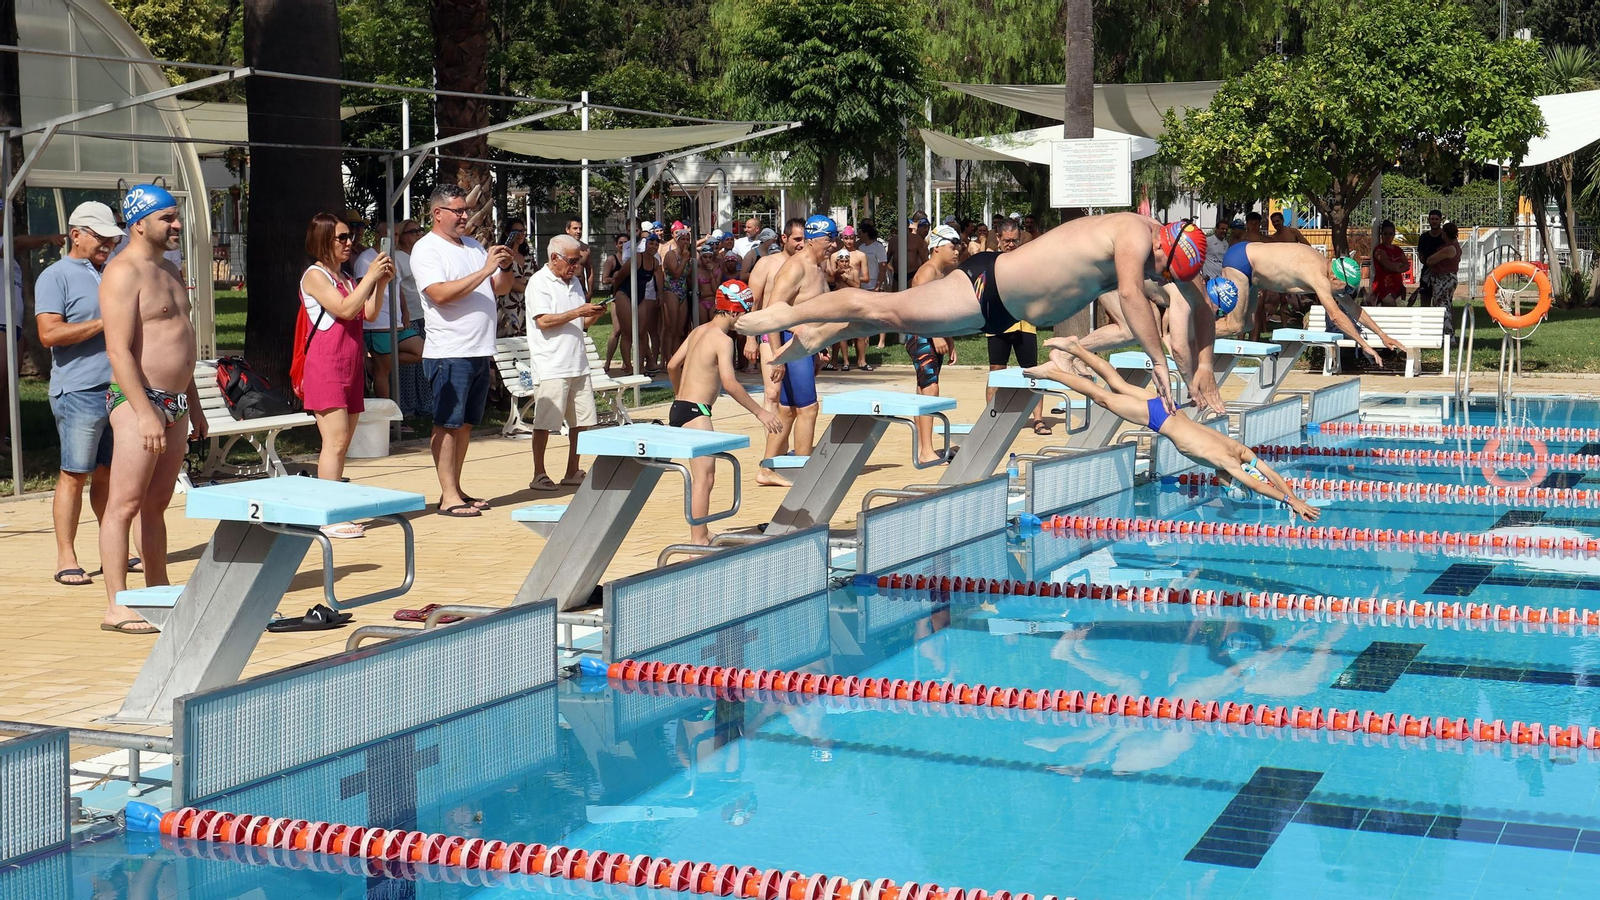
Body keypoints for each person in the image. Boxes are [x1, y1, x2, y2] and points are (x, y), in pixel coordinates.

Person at [738, 213, 1215, 415]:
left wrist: (1204, 369)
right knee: (879, 306)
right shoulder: (1135, 234)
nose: (1160, 276)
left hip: (999, 313)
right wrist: (1160, 362)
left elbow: (1203, 307)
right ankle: (783, 315)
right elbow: (1133, 297)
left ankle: (818, 336)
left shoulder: (1174, 252)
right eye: (1161, 266)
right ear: (1161, 240)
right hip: (985, 287)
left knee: (886, 320)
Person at [1027, 337, 1321, 522]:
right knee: (1102, 396)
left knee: (1117, 384)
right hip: (1160, 419)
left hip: (1170, 410)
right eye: (1229, 487)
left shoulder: (1240, 452)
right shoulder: (1228, 463)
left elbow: (1268, 474)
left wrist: (1295, 498)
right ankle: (1053, 372)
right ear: (1233, 482)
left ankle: (1075, 348)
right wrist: (1287, 500)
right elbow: (1259, 484)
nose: (1223, 486)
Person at [97, 185, 208, 635]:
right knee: (123, 504)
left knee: (156, 503)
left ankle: (157, 589)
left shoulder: (171, 269)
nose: (177, 224)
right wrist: (144, 412)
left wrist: (194, 404)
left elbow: (182, 343)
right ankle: (117, 604)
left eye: (177, 216)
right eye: (167, 217)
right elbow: (118, 350)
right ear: (139, 223)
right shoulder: (123, 272)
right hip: (138, 400)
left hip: (176, 402)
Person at [36, 202, 131, 586]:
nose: (108, 242)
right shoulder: (54, 276)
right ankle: (66, 556)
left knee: (109, 476)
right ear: (76, 234)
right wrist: (104, 323)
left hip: (119, 391)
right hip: (78, 390)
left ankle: (113, 549)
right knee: (75, 474)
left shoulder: (112, 273)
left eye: (112, 237)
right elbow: (49, 335)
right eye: (100, 236)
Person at [410, 183, 513, 518]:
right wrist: (484, 269)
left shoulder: (471, 245)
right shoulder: (427, 250)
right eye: (458, 210)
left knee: (466, 424)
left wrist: (504, 266)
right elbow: (439, 294)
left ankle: (456, 488)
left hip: (479, 349)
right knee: (447, 424)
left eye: (466, 210)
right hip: (448, 351)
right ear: (437, 214)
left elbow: (499, 287)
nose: (465, 216)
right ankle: (448, 496)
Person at [665, 279, 783, 544]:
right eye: (744, 313)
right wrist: (760, 413)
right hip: (697, 413)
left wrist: (678, 395)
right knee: (704, 478)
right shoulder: (723, 340)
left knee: (703, 476)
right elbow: (730, 383)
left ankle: (703, 532)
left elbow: (673, 365)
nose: (744, 320)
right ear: (733, 311)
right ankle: (698, 540)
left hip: (681, 408)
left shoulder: (699, 331)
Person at [299, 213, 393, 537]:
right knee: (335, 442)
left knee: (343, 443)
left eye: (349, 236)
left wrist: (380, 283)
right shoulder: (314, 276)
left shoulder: (346, 278)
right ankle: (328, 516)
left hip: (349, 365)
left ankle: (334, 508)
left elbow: (367, 312)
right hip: (326, 366)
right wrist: (370, 276)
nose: (349, 242)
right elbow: (344, 309)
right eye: (342, 237)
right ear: (323, 240)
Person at [1210, 239, 1405, 364]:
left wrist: (1382, 335)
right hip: (1241, 262)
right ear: (1336, 279)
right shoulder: (1318, 275)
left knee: (1248, 324)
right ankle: (1186, 337)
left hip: (1250, 269)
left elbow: (1353, 309)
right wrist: (1364, 344)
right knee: (1234, 325)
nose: (1345, 294)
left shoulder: (1328, 270)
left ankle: (1193, 335)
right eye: (1345, 289)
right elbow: (1336, 317)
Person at [753, 216, 838, 476]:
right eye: (828, 240)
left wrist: (823, 343)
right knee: (808, 408)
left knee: (787, 411)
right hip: (792, 343)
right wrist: (778, 356)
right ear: (813, 241)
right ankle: (804, 471)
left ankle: (767, 470)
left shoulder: (818, 266)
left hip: (807, 345)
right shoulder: (796, 268)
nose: (833, 246)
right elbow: (774, 313)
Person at [526, 234, 606, 491]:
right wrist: (579, 311)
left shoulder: (575, 282)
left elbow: (580, 324)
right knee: (545, 423)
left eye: (579, 262)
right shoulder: (539, 282)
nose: (575, 267)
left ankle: (573, 469)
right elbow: (544, 321)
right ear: (554, 258)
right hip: (551, 364)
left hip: (578, 363)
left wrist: (593, 314)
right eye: (572, 261)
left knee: (582, 422)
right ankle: (538, 472)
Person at [747, 218, 807, 488]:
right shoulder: (766, 264)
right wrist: (750, 339)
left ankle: (781, 453)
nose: (801, 243)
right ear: (784, 239)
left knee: (794, 401)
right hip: (768, 335)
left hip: (797, 338)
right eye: (796, 239)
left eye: (804, 238)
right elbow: (753, 302)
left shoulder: (806, 265)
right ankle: (773, 456)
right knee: (772, 394)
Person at [983, 219, 1047, 434]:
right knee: (996, 370)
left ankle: (1038, 419)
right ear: (998, 239)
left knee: (1032, 371)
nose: (1011, 244)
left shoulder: (1027, 260)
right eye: (1007, 240)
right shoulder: (990, 261)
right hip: (998, 323)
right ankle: (991, 420)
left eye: (1015, 240)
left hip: (1025, 323)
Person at [906, 225, 962, 465]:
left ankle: (923, 449)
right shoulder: (926, 272)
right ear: (936, 247)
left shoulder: (941, 274)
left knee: (924, 389)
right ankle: (927, 450)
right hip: (921, 334)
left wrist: (949, 340)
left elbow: (941, 312)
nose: (957, 251)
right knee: (930, 388)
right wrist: (936, 336)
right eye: (953, 246)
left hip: (931, 334)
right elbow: (919, 309)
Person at [361, 222, 424, 401]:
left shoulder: (392, 256)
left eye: (396, 235)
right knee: (383, 373)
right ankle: (388, 419)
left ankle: (374, 362)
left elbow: (398, 286)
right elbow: (362, 289)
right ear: (377, 236)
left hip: (397, 321)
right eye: (390, 236)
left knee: (421, 351)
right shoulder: (366, 258)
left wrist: (405, 311)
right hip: (378, 323)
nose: (394, 239)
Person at [829, 226, 871, 371]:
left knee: (859, 331)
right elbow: (830, 277)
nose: (849, 241)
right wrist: (838, 275)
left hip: (855, 295)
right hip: (839, 296)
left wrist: (851, 278)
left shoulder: (860, 255)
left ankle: (862, 361)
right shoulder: (834, 256)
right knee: (838, 330)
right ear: (842, 238)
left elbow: (866, 277)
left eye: (851, 238)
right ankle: (835, 361)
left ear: (855, 238)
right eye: (846, 238)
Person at [601, 234, 636, 374]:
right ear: (616, 245)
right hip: (616, 297)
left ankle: (625, 362)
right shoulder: (612, 260)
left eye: (626, 243)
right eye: (620, 243)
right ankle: (608, 362)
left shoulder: (634, 259)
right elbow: (604, 279)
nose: (623, 245)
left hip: (631, 296)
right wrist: (615, 278)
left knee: (630, 331)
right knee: (617, 330)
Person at [661, 224, 693, 364]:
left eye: (687, 239)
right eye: (683, 239)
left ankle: (675, 358)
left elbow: (688, 275)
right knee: (670, 328)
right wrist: (685, 259)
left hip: (683, 291)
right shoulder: (671, 254)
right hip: (671, 291)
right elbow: (676, 273)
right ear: (677, 240)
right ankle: (667, 358)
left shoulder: (688, 256)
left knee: (679, 329)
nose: (685, 242)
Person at [494, 223, 533, 337]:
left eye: (523, 231)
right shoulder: (502, 256)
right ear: (507, 233)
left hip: (528, 303)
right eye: (516, 231)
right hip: (508, 304)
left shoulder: (528, 256)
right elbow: (507, 282)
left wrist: (519, 282)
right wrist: (522, 284)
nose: (520, 234)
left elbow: (534, 279)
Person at [1418, 222, 1460, 320]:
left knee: (1441, 305)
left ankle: (1446, 330)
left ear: (1445, 233)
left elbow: (1430, 261)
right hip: (1450, 278)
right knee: (1447, 303)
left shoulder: (1448, 249)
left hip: (1443, 280)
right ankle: (1448, 330)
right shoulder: (1456, 246)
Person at [1369, 220, 1409, 307]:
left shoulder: (1398, 249)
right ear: (1381, 235)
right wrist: (1398, 265)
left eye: (1390, 234)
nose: (1388, 236)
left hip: (1397, 286)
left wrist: (1395, 267)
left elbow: (1407, 266)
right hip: (1383, 288)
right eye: (1385, 234)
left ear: (1394, 235)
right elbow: (1388, 265)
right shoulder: (1379, 250)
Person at [1410, 209, 1444, 307]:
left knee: (1441, 301)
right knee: (1425, 298)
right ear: (1429, 220)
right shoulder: (1424, 237)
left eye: (1436, 219)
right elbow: (1420, 253)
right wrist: (1427, 261)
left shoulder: (1444, 236)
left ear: (1440, 220)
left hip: (1441, 272)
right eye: (1432, 219)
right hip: (1427, 271)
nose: (1434, 221)